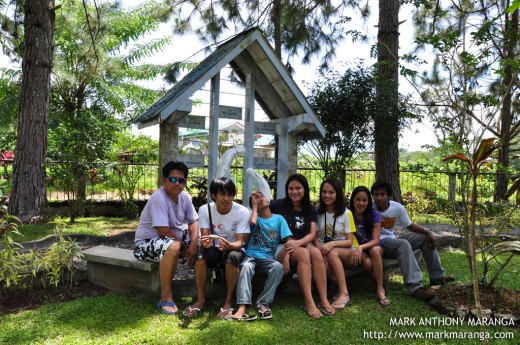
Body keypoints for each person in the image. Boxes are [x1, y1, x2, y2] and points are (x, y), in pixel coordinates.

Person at [133, 161, 199, 314]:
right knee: (174, 245)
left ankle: (202, 291)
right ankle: (166, 296)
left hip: (172, 239)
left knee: (203, 241)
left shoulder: (184, 197)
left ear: (185, 182)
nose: (177, 184)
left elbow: (193, 221)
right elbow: (162, 230)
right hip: (145, 245)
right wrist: (184, 248)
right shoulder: (159, 198)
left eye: (181, 180)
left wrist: (194, 244)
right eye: (173, 179)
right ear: (164, 180)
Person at [370, 181, 454, 301]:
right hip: (379, 242)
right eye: (376, 194)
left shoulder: (397, 208)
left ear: (389, 196)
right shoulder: (369, 208)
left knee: (425, 239)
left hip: (392, 240)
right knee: (403, 244)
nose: (378, 198)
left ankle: (437, 278)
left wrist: (426, 231)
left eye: (382, 194)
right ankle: (415, 288)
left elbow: (409, 225)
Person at [183, 177, 251, 318]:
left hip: (234, 248)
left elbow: (240, 243)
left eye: (230, 195)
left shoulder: (243, 212)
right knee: (200, 257)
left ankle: (228, 301)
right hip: (214, 249)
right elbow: (205, 237)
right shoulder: (205, 209)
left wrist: (228, 246)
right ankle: (200, 300)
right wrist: (205, 243)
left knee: (232, 257)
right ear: (213, 195)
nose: (226, 199)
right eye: (222, 194)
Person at [270, 174, 335, 318]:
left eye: (298, 188)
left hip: (300, 244)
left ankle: (324, 299)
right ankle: (309, 301)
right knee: (304, 254)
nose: (294, 192)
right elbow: (262, 211)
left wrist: (297, 243)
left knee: (317, 253)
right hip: (281, 247)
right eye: (291, 188)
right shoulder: (278, 206)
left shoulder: (309, 209)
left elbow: (312, 234)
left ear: (304, 189)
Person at [229, 191, 292, 321]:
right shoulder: (254, 218)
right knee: (245, 267)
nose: (260, 199)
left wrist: (286, 258)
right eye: (256, 199)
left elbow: (289, 241)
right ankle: (242, 306)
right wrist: (255, 206)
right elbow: (252, 223)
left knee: (278, 268)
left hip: (268, 258)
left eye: (261, 196)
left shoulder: (279, 219)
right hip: (251, 256)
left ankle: (263, 304)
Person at [314, 179, 357, 310]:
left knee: (333, 253)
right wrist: (319, 251)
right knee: (320, 263)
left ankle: (344, 293)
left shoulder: (346, 213)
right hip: (325, 250)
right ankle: (340, 288)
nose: (327, 195)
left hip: (347, 252)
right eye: (324, 192)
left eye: (331, 192)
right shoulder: (317, 211)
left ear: (338, 194)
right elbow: (314, 236)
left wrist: (332, 245)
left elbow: (349, 242)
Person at [348, 186, 389, 306]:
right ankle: (381, 282)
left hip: (372, 246)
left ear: (368, 202)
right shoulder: (348, 213)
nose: (361, 203)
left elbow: (376, 240)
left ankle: (380, 289)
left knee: (374, 250)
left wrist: (361, 247)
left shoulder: (374, 214)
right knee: (367, 264)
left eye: (364, 200)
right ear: (353, 200)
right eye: (358, 199)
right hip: (355, 249)